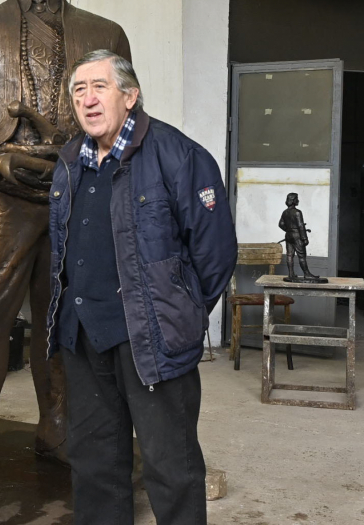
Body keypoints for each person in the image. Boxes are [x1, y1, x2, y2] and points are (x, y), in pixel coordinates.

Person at [0, 0, 131, 491]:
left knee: (64, 321)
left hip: (78, 198)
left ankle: (58, 430)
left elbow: (125, 126)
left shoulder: (105, 32)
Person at [46, 50, 237, 524]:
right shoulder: (71, 160)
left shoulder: (179, 155)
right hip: (84, 337)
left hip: (150, 338)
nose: (87, 100)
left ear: (129, 96)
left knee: (171, 469)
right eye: (78, 90)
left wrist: (179, 312)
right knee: (94, 467)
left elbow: (215, 255)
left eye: (99, 87)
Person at [279, 192, 318, 280]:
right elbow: (300, 225)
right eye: (297, 198)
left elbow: (281, 224)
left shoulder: (285, 212)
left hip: (288, 235)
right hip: (297, 235)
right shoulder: (297, 212)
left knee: (289, 255)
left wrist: (288, 230)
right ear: (293, 201)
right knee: (301, 255)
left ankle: (291, 274)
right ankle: (307, 274)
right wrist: (304, 238)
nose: (298, 200)